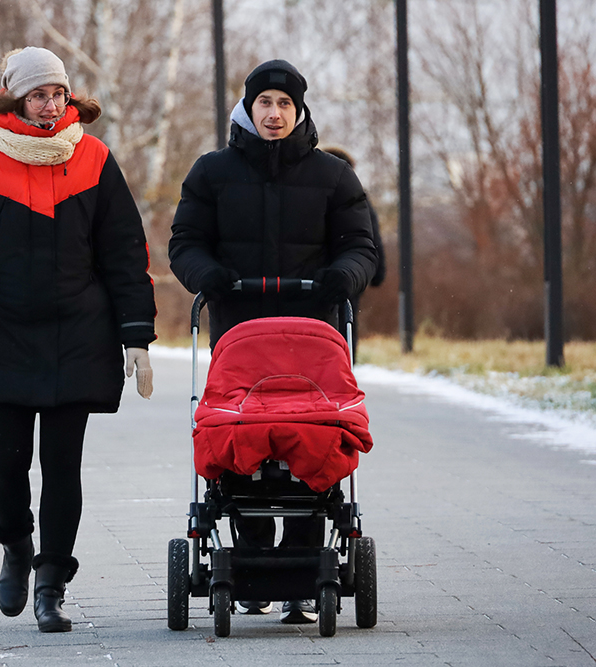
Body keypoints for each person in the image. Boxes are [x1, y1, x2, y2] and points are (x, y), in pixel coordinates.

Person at [0, 47, 156, 634]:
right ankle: (16, 545)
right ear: (13, 100)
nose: (51, 105)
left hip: (76, 337)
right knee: (6, 465)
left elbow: (126, 252)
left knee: (62, 465)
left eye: (57, 93)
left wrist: (136, 335)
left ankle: (51, 581)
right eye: (37, 95)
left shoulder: (96, 160)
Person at [168, 59, 377, 624]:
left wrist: (344, 276)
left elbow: (361, 244)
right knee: (241, 431)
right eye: (266, 102)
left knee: (313, 435)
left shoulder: (332, 176)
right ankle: (252, 552)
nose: (275, 113)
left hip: (314, 335)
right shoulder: (212, 173)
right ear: (248, 108)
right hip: (240, 334)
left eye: (285, 104)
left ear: (300, 110)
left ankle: (305, 563)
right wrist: (205, 274)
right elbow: (185, 240)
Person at [321, 146, 387, 360]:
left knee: (320, 330)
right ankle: (346, 370)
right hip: (350, 274)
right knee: (347, 324)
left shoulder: (315, 194)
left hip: (318, 275)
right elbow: (370, 238)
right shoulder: (358, 198)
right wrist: (377, 273)